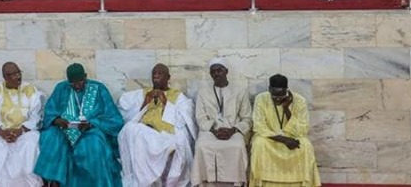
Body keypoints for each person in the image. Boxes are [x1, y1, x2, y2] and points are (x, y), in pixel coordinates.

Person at [34, 63, 123, 187]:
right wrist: (56, 120)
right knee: (50, 136)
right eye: (72, 83)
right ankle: (52, 180)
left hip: (91, 130)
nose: (76, 86)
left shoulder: (99, 89)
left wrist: (92, 123)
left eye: (80, 82)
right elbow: (50, 111)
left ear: (85, 77)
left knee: (93, 145)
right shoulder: (61, 88)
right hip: (64, 129)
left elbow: (115, 119)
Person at [117, 63, 196, 187]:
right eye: (154, 73)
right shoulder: (143, 94)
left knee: (152, 137)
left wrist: (165, 102)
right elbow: (126, 114)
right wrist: (145, 102)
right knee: (130, 129)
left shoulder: (178, 96)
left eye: (160, 73)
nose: (156, 76)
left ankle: (153, 177)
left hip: (164, 133)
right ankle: (144, 181)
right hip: (144, 131)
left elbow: (184, 119)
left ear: (168, 77)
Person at [0, 62, 44, 187]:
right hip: (0, 131)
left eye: (18, 73)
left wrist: (20, 131)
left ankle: (26, 183)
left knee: (33, 140)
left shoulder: (30, 90)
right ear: (5, 77)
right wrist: (2, 132)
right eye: (13, 74)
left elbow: (36, 116)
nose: (18, 77)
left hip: (23, 132)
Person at [250, 74, 320, 187]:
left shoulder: (300, 100)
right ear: (269, 89)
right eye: (274, 95)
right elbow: (259, 126)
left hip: (293, 137)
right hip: (270, 138)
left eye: (281, 95)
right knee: (258, 143)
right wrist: (284, 140)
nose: (278, 98)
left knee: (306, 145)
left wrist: (286, 109)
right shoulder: (261, 98)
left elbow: (303, 130)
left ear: (287, 90)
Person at [193, 58, 252, 187]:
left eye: (219, 70)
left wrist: (232, 130)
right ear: (210, 74)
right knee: (202, 146)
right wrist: (214, 131)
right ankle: (206, 182)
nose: (216, 74)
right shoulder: (203, 92)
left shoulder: (240, 91)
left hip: (233, 130)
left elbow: (247, 118)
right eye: (213, 71)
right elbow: (200, 118)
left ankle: (236, 182)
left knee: (237, 146)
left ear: (226, 71)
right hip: (210, 130)